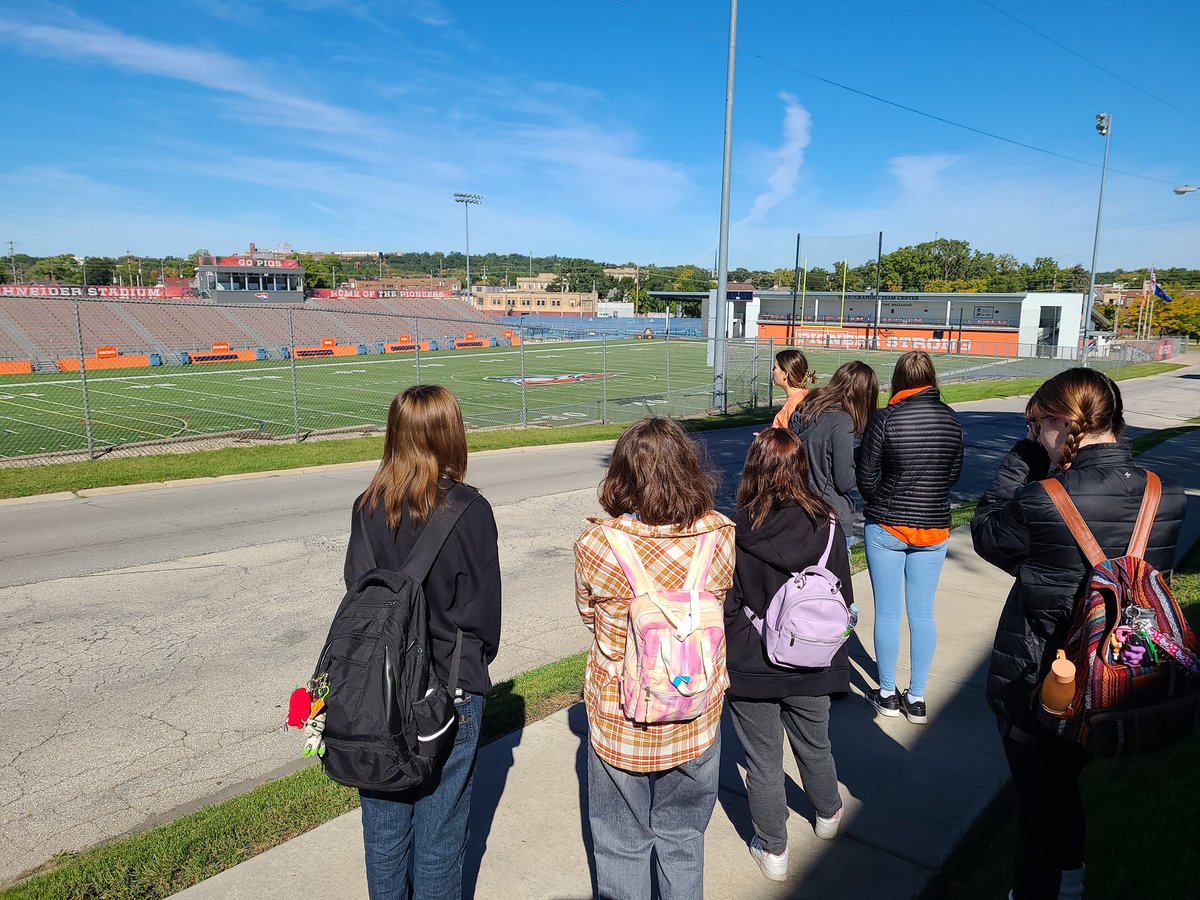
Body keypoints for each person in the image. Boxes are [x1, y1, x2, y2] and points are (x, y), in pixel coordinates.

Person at [971, 368, 1184, 900]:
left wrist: (1020, 462)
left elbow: (988, 536)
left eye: (1036, 423)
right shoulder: (1166, 494)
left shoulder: (1043, 497)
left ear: (1065, 424)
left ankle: (1041, 888)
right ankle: (1072, 880)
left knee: (1038, 807)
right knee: (1062, 788)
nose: (1033, 433)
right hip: (1118, 666)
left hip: (1047, 677)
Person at [343, 385, 502, 900]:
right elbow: (483, 616)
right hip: (449, 687)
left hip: (378, 690)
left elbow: (358, 594)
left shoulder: (367, 508)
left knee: (384, 828)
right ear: (450, 435)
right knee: (441, 830)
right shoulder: (470, 510)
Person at [574, 417, 735, 899]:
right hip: (695, 713)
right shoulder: (719, 535)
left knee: (621, 843)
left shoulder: (599, 544)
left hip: (621, 718)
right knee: (683, 840)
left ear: (621, 475)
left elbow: (589, 615)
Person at [724, 428, 852, 882]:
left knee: (762, 761)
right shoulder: (829, 523)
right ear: (801, 468)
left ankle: (773, 850)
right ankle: (828, 813)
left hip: (752, 659)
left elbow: (728, 602)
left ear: (753, 469)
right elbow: (842, 595)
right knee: (815, 745)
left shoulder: (738, 527)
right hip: (813, 657)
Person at [857, 350, 963, 724]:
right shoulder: (951, 419)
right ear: (932, 379)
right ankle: (916, 697)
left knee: (887, 610)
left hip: (888, 524)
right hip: (933, 527)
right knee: (921, 613)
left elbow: (866, 477)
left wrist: (885, 499)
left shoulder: (885, 419)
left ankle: (887, 692)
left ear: (898, 380)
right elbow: (952, 475)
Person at [790, 360, 880, 548]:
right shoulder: (841, 421)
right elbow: (844, 480)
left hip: (800, 510)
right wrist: (862, 457)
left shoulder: (805, 410)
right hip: (831, 515)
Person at [770, 348, 818, 428]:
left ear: (785, 373)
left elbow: (791, 437)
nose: (772, 371)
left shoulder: (796, 403)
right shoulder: (804, 396)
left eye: (775, 368)